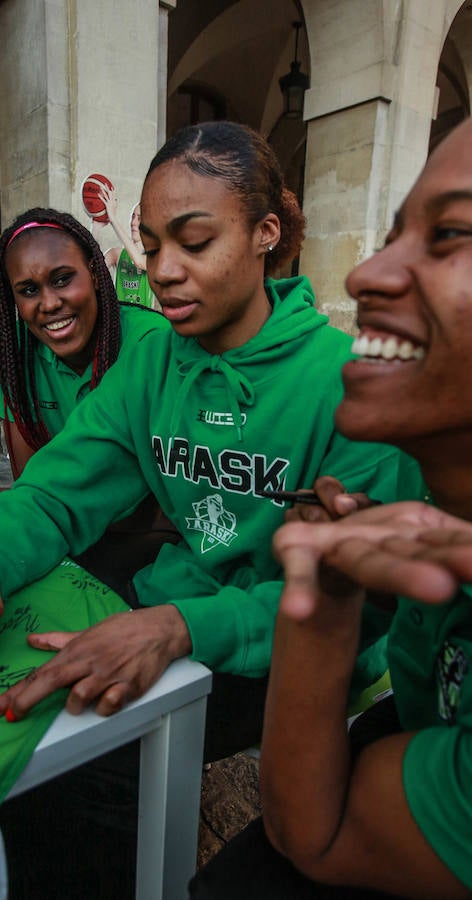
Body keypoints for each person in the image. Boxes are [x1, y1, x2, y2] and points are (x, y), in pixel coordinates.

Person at [0, 121, 423, 754]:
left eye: (196, 241)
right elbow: (55, 491)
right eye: (151, 248)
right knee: (8, 668)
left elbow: (367, 601)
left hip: (289, 644)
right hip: (172, 597)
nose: (165, 272)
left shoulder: (352, 386)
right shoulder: (153, 366)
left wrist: (180, 628)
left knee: (85, 750)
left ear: (266, 234)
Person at [189, 117, 472, 899]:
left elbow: (311, 831)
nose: (365, 273)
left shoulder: (334, 388)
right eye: (151, 248)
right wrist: (333, 585)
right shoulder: (419, 500)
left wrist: (313, 602)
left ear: (263, 237)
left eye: (449, 233)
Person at [0, 206, 177, 587]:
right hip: (65, 540)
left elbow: (169, 503)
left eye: (62, 279)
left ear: (94, 272)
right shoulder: (14, 358)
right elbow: (30, 481)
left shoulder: (151, 343)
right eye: (27, 290)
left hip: (155, 555)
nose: (49, 303)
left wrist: (61, 503)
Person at [97, 184, 159, 309]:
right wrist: (96, 227)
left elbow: (139, 262)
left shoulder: (155, 257)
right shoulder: (116, 254)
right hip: (120, 322)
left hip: (143, 324)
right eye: (133, 216)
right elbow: (92, 272)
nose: (133, 222)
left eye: (140, 219)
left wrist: (113, 219)